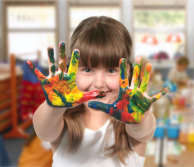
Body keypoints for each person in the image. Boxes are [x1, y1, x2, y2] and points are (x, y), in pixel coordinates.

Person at [26, 16, 169, 167]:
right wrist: (54, 108)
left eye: (111, 70)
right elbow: (44, 132)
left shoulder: (133, 115)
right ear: (71, 71)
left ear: (126, 71)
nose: (99, 83)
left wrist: (138, 121)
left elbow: (144, 131)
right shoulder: (62, 117)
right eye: (87, 70)